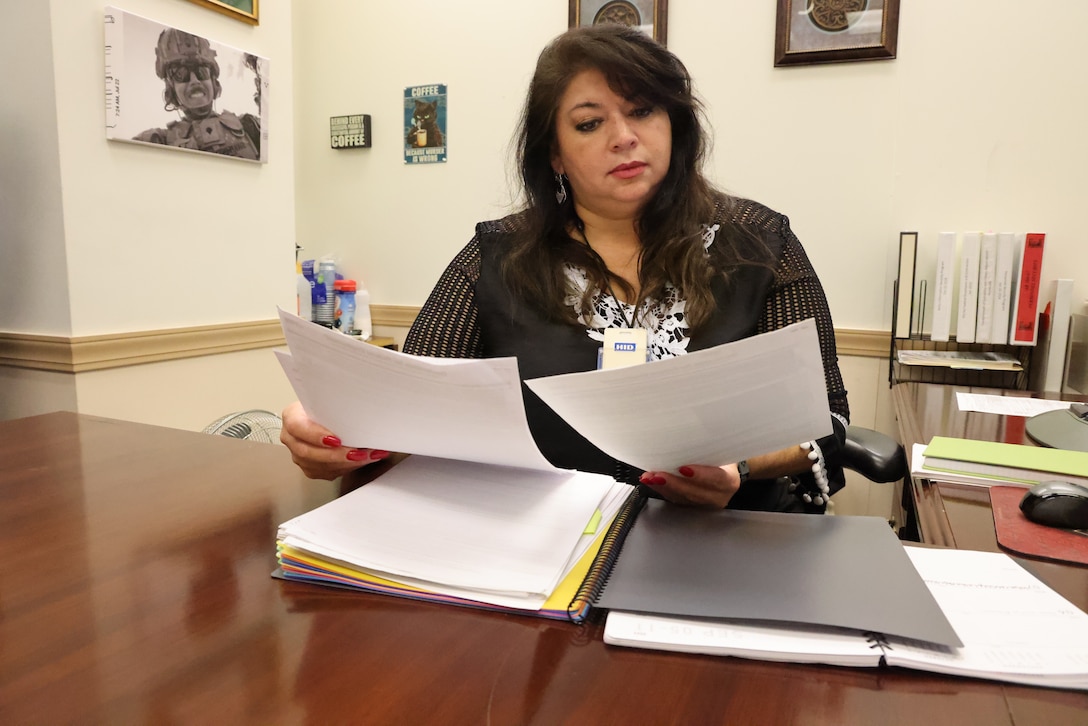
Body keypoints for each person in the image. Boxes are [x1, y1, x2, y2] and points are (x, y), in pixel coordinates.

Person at [281, 24, 850, 513]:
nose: (623, 138)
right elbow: (409, 408)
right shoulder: (496, 257)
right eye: (588, 123)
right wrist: (333, 425)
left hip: (733, 541)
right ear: (554, 152)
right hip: (542, 551)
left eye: (642, 111)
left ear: (674, 125)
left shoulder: (760, 243)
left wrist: (739, 468)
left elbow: (825, 419)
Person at [134, 28, 261, 160]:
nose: (194, 81)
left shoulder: (250, 127)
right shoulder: (158, 141)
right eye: (181, 74)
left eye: (202, 71)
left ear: (213, 81)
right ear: (171, 88)